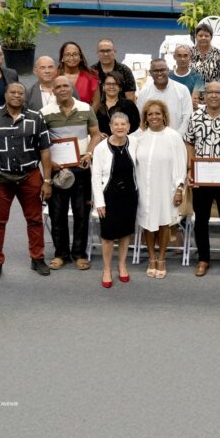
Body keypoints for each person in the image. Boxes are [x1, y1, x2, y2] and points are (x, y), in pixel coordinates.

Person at [0, 83, 53, 282]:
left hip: (30, 176)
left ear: (24, 96)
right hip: (1, 177)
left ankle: (37, 258)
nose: (17, 96)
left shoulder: (36, 118)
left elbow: (45, 150)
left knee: (35, 219)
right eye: (13, 92)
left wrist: (47, 180)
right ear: (5, 94)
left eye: (21, 93)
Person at [40, 75, 103, 271]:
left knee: (81, 213)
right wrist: (51, 164)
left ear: (71, 88)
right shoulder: (44, 113)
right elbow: (41, 143)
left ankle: (79, 254)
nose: (62, 89)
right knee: (57, 214)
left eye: (65, 86)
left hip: (81, 168)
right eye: (57, 87)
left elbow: (96, 134)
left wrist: (90, 152)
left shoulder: (85, 108)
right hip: (57, 170)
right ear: (53, 90)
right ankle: (60, 254)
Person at [185, 81, 220, 278]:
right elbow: (189, 142)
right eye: (210, 92)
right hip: (201, 177)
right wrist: (191, 168)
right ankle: (203, 259)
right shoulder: (195, 116)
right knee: (201, 220)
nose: (214, 96)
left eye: (218, 92)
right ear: (204, 96)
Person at [134, 100, 186, 280]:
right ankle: (151, 257)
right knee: (148, 223)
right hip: (144, 187)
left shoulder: (173, 136)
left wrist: (179, 189)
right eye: (150, 114)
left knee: (163, 222)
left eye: (157, 113)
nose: (154, 117)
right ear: (145, 118)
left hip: (166, 187)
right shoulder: (138, 137)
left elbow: (181, 164)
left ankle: (162, 258)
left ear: (164, 115)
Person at [90, 111, 136, 289]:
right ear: (110, 127)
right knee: (108, 235)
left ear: (128, 127)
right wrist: (99, 201)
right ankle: (107, 269)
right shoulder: (101, 148)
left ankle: (122, 264)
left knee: (125, 233)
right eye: (116, 124)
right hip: (109, 195)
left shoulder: (134, 142)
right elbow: (96, 176)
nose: (119, 127)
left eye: (123, 124)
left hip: (130, 195)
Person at [137, 58, 193, 135]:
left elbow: (187, 116)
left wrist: (178, 136)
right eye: (156, 71)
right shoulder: (144, 93)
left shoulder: (182, 90)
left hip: (178, 138)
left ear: (168, 70)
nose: (159, 73)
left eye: (162, 70)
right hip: (153, 138)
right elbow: (141, 118)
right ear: (150, 72)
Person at [57, 41, 99, 106]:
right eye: (67, 54)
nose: (71, 58)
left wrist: (89, 116)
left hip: (85, 115)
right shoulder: (54, 76)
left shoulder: (91, 76)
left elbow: (96, 102)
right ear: (62, 58)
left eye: (75, 54)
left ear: (80, 57)